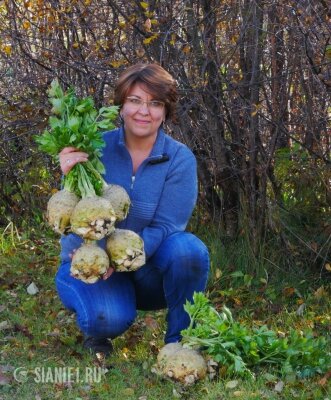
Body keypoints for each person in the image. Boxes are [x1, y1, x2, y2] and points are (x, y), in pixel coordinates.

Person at [55, 63, 210, 355]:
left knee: (188, 249)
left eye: (155, 103)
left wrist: (122, 255)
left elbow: (167, 227)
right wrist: (68, 175)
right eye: (135, 100)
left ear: (165, 111)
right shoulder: (93, 147)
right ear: (121, 105)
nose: (144, 111)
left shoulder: (178, 159)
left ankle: (181, 344)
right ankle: (100, 325)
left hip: (145, 269)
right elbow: (71, 214)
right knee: (106, 318)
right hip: (91, 265)